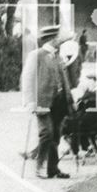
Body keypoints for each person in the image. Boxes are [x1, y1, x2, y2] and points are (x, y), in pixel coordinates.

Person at [21, 25, 73, 179]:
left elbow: (64, 80)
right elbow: (27, 79)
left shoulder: (58, 56)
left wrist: (70, 99)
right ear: (51, 39)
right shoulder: (36, 55)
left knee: (56, 135)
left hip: (59, 102)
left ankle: (53, 168)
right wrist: (30, 102)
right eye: (57, 38)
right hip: (42, 102)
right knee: (46, 133)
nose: (60, 41)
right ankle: (40, 166)